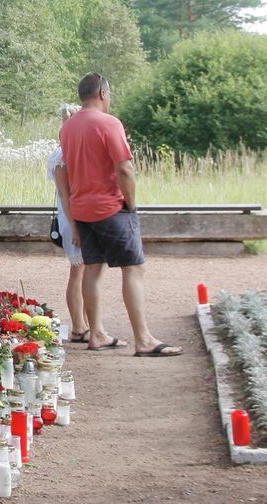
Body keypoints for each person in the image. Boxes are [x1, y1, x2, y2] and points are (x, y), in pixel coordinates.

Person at [58, 73, 179, 357]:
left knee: (93, 269)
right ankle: (143, 339)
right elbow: (124, 168)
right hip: (111, 208)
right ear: (102, 93)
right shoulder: (109, 123)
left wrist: (73, 217)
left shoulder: (68, 129)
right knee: (133, 269)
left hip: (82, 210)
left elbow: (65, 172)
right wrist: (132, 206)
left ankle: (96, 332)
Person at [48, 102, 92, 344]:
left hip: (78, 215)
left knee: (85, 270)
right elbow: (65, 195)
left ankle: (87, 323)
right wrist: (75, 226)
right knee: (78, 271)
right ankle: (78, 325)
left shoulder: (70, 151)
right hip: (71, 216)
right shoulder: (62, 155)